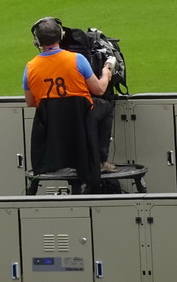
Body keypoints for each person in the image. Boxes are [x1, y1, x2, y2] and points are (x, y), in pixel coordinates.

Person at [23, 17, 116, 191]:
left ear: (37, 41)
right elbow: (99, 89)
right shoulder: (77, 59)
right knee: (105, 106)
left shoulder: (30, 67)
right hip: (81, 120)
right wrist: (106, 72)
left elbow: (31, 102)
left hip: (51, 125)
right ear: (61, 35)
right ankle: (101, 160)